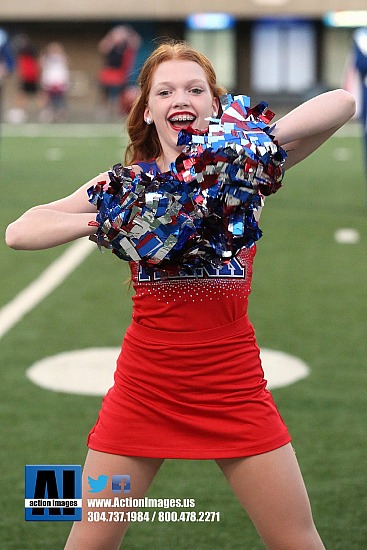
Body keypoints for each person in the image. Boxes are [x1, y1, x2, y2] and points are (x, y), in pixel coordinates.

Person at [5, 41, 355, 550]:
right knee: (87, 545)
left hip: (232, 386)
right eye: (164, 91)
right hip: (143, 392)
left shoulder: (244, 175)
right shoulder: (125, 186)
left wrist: (244, 147)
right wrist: (111, 221)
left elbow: (343, 102)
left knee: (297, 541)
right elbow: (20, 230)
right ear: (148, 111)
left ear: (215, 103)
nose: (179, 98)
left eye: (195, 89)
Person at [98, 25, 142, 117]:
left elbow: (137, 42)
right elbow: (102, 47)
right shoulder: (111, 46)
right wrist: (112, 35)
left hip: (120, 75)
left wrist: (128, 33)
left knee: (118, 96)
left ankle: (116, 113)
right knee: (106, 95)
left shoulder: (127, 46)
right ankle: (105, 113)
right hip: (109, 74)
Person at [39, 42, 69, 122]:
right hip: (49, 82)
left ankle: (60, 114)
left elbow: (64, 65)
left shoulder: (61, 58)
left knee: (60, 99)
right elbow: (41, 64)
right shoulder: (46, 58)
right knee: (48, 99)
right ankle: (48, 113)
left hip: (59, 82)